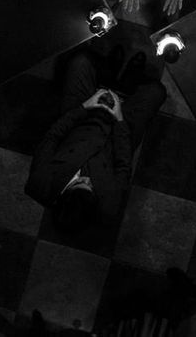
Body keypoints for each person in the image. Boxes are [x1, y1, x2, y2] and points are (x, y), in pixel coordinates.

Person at [24, 48, 165, 232]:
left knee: (80, 60)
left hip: (80, 118)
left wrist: (85, 107)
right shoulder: (109, 208)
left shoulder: (39, 184)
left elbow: (53, 136)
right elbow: (123, 164)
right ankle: (125, 84)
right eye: (91, 186)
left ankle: (108, 73)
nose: (88, 180)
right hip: (117, 133)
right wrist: (119, 119)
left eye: (80, 182)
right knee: (157, 92)